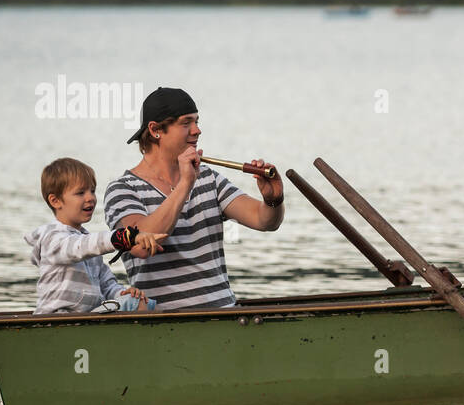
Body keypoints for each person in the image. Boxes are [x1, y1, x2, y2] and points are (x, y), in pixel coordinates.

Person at [104, 87, 283, 311]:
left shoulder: (208, 177)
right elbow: (140, 245)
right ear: (155, 129)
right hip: (164, 325)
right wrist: (185, 184)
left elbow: (264, 221)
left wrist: (273, 199)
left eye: (197, 122)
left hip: (226, 317)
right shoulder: (122, 189)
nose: (197, 131)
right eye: (186, 123)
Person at [25, 157, 166, 314]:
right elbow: (78, 247)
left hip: (85, 317)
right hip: (55, 319)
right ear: (56, 201)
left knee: (138, 302)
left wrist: (123, 293)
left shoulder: (89, 246)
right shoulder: (52, 238)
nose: (90, 198)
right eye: (80, 193)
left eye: (92, 190)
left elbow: (107, 285)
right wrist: (123, 237)